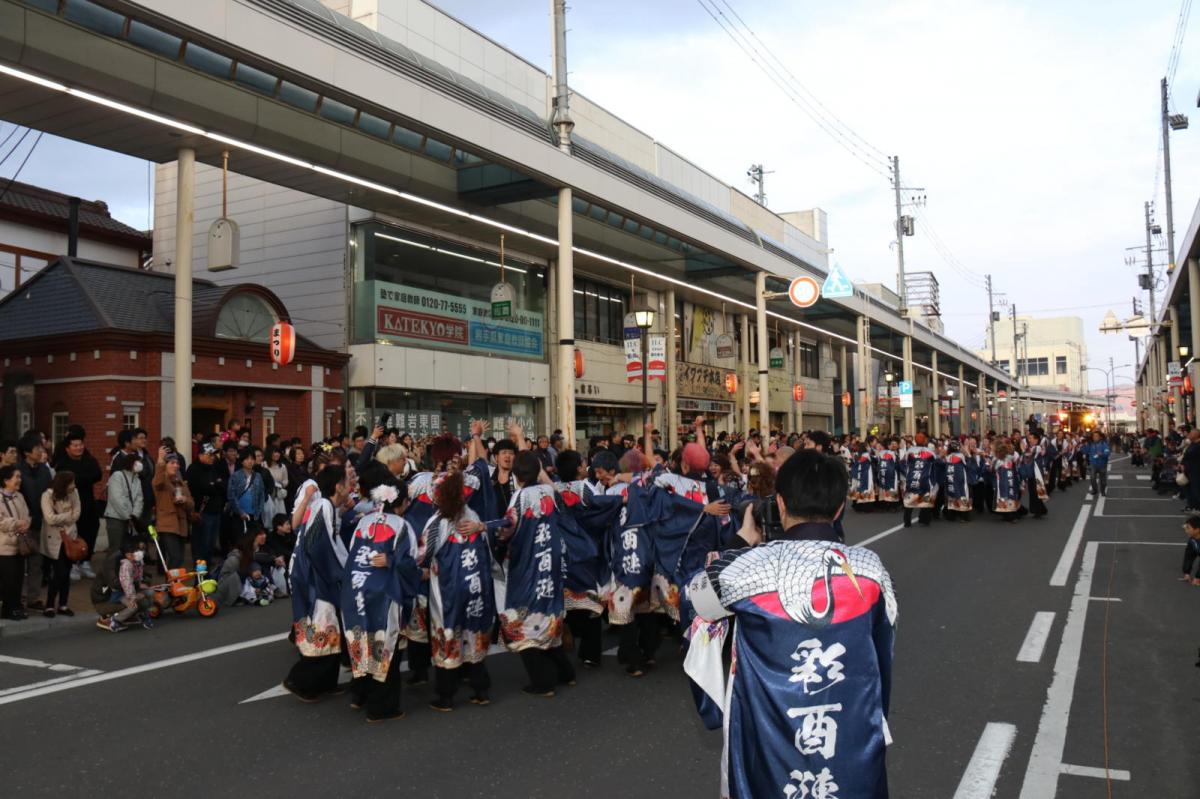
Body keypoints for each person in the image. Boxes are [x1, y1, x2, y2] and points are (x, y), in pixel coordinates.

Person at [684, 448, 897, 799]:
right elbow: (881, 663)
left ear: (779, 504)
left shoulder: (747, 568)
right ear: (840, 507)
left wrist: (740, 541)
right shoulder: (869, 570)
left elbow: (694, 600)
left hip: (768, 741)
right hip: (848, 736)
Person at [476, 451, 575, 697]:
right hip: (549, 562)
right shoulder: (548, 492)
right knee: (548, 614)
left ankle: (543, 681)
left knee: (522, 620)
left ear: (517, 475)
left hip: (527, 565)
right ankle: (565, 672)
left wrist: (485, 527)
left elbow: (508, 526)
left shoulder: (520, 496)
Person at [343, 481, 421, 722]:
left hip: (355, 589)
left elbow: (351, 550)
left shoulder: (364, 522)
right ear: (402, 503)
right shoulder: (402, 525)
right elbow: (410, 562)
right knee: (386, 646)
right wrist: (394, 562)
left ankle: (360, 694)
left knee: (360, 640)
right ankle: (381, 706)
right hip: (384, 592)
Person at [423, 468, 496, 711]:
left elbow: (423, 554)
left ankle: (446, 695)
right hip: (475, 584)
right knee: (472, 634)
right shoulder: (473, 516)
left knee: (448, 633)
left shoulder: (438, 522)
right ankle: (480, 689)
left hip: (448, 589)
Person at [283, 465, 351, 702]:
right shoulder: (323, 506)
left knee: (330, 630)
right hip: (317, 577)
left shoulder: (327, 506)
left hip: (315, 573)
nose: (349, 485)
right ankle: (299, 681)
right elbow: (320, 545)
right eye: (346, 480)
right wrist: (341, 571)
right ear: (337, 486)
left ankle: (326, 683)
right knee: (323, 630)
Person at [52, 429, 101, 581]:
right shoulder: (62, 463)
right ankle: (72, 563)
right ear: (67, 448)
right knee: (73, 533)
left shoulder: (89, 460)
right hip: (70, 505)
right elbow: (67, 481)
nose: (79, 448)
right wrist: (84, 479)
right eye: (75, 445)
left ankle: (85, 561)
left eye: (80, 445)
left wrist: (79, 479)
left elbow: (97, 475)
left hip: (88, 502)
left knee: (91, 529)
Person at [17, 433, 52, 610]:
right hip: (22, 524)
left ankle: (33, 598)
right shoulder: (18, 471)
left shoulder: (45, 470)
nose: (41, 451)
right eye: (37, 448)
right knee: (20, 564)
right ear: (26, 452)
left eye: (41, 448)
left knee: (37, 563)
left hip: (41, 522)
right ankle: (19, 598)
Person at [39, 471, 81, 617]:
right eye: (71, 483)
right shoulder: (47, 496)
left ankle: (63, 604)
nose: (74, 486)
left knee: (66, 572)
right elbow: (49, 518)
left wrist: (63, 517)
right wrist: (67, 516)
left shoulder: (74, 493)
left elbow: (77, 514)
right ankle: (50, 605)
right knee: (59, 572)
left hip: (70, 537)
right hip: (55, 538)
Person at [93, 538, 153, 632]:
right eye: (137, 550)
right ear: (128, 555)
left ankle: (143, 613)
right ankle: (115, 621)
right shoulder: (126, 565)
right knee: (133, 607)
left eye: (141, 549)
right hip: (119, 594)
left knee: (150, 592)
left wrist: (140, 584)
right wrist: (133, 598)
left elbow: (139, 576)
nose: (140, 552)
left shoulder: (139, 561)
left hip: (130, 590)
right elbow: (127, 583)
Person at [151, 450, 194, 569]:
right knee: (174, 557)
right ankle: (171, 584)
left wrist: (184, 500)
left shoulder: (180, 483)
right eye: (172, 463)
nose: (176, 466)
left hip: (181, 525)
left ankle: (173, 584)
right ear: (165, 465)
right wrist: (160, 461)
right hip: (167, 525)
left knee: (179, 559)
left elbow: (191, 504)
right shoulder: (161, 480)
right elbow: (158, 481)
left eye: (177, 463)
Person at [0, 464, 32, 620]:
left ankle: (16, 607)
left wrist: (26, 523)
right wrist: (17, 523)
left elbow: (27, 515)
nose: (19, 480)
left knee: (19, 578)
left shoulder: (20, 496)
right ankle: (8, 609)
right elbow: (1, 522)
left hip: (20, 544)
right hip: (4, 546)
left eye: (20, 476)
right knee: (8, 580)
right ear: (6, 480)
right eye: (16, 477)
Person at [103, 452, 143, 554]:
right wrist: (127, 516)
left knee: (129, 549)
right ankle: (110, 570)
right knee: (115, 549)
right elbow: (116, 499)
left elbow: (139, 498)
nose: (140, 464)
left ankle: (127, 570)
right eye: (137, 462)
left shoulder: (137, 479)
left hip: (130, 519)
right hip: (115, 517)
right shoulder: (117, 476)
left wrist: (134, 515)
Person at [227, 448, 266, 539]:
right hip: (239, 515)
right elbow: (232, 496)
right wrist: (240, 512)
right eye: (247, 459)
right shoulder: (235, 476)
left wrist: (258, 511)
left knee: (253, 540)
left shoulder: (258, 476)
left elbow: (262, 495)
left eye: (252, 459)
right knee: (240, 540)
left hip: (254, 515)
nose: (250, 461)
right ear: (242, 461)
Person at [1082, 430, 1112, 498]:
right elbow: (1085, 451)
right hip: (1093, 464)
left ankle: (1103, 490)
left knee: (1103, 480)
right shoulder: (1090, 444)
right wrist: (1084, 445)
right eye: (1093, 436)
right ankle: (1095, 490)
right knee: (1092, 478)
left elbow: (1107, 452)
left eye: (1096, 436)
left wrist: (1102, 454)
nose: (1095, 437)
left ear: (1100, 437)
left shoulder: (1104, 444)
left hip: (1102, 464)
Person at [1180, 515, 1200, 586]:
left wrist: (1198, 577)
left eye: (1188, 528)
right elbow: (1189, 556)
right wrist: (1187, 573)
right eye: (1186, 527)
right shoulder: (1192, 539)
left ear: (1197, 529)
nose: (1186, 531)